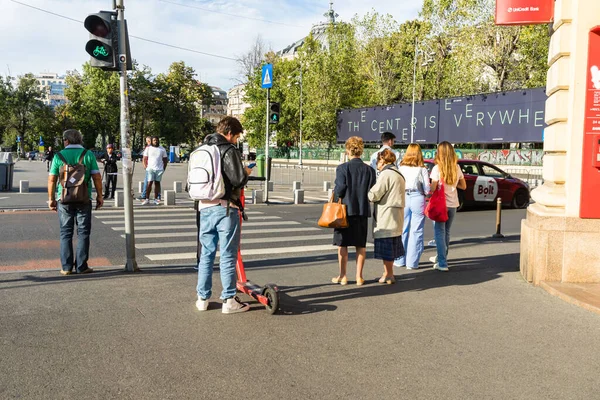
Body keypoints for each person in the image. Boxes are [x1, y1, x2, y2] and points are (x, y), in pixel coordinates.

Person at [196, 116, 251, 314]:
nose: (236, 140)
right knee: (228, 254)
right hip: (226, 207)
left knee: (207, 255)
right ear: (228, 133)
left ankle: (202, 298)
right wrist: (246, 172)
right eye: (236, 136)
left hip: (204, 206)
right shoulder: (228, 149)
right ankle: (229, 300)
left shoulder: (201, 149)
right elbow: (237, 179)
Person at [48, 129, 104, 275]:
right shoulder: (88, 154)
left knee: (65, 233)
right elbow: (97, 177)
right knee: (83, 232)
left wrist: (52, 199)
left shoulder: (58, 156)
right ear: (80, 140)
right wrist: (99, 195)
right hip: (84, 198)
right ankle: (81, 266)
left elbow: (52, 179)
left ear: (66, 140)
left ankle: (66, 267)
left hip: (64, 199)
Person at [332, 136, 376, 286]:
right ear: (361, 150)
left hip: (345, 211)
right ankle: (359, 277)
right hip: (362, 210)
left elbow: (340, 189)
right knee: (360, 245)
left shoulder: (342, 168)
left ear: (347, 150)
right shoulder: (370, 170)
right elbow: (372, 190)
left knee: (342, 244)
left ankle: (343, 276)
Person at [368, 149, 406, 284]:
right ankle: (388, 273)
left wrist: (368, 193)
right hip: (396, 214)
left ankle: (389, 274)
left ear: (383, 160)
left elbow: (375, 193)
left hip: (387, 214)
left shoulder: (386, 174)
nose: (376, 163)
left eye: (378, 160)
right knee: (392, 245)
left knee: (387, 246)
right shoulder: (398, 173)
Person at [429, 141, 467, 271]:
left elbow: (433, 187)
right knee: (447, 232)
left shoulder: (437, 169)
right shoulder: (456, 168)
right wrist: (453, 185)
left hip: (441, 205)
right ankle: (442, 257)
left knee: (439, 233)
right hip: (453, 205)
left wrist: (430, 188)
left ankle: (442, 263)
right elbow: (464, 186)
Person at [395, 143, 431, 269]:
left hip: (403, 196)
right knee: (416, 230)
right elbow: (427, 190)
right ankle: (412, 262)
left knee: (402, 228)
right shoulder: (422, 169)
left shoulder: (401, 168)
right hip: (417, 197)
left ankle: (399, 260)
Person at [141, 136, 168, 205]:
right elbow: (144, 158)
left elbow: (165, 160)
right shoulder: (148, 148)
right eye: (154, 140)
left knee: (157, 183)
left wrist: (163, 168)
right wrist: (145, 166)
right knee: (149, 183)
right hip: (150, 169)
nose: (155, 141)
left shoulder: (162, 149)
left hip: (159, 169)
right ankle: (147, 198)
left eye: (156, 140)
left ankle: (156, 199)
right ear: (152, 141)